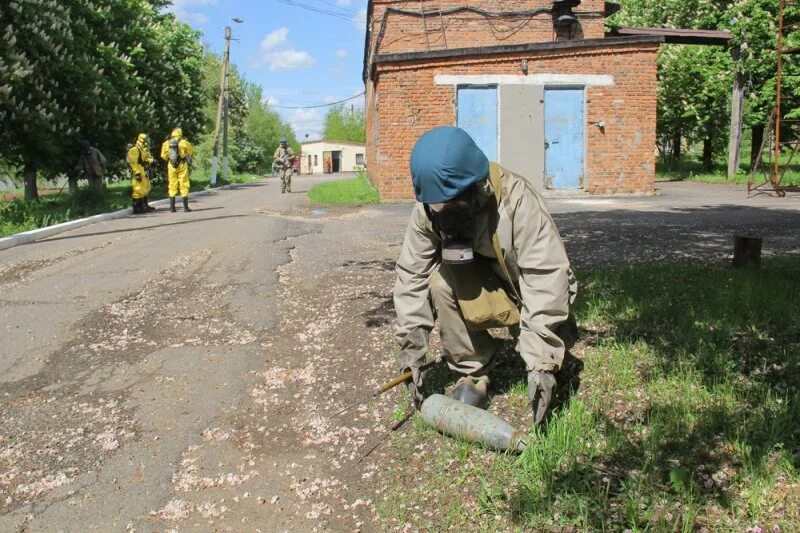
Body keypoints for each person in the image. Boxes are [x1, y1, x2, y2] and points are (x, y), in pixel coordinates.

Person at [393, 126, 577, 425]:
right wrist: (411, 351)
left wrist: (542, 362)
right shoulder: (427, 210)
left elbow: (546, 276)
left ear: (478, 187)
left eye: (454, 203)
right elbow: (411, 277)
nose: (444, 211)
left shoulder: (517, 201)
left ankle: (546, 355)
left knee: (550, 354)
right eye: (438, 205)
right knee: (439, 282)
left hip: (525, 291)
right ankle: (472, 372)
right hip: (484, 286)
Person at [160, 128, 194, 212]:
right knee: (184, 184)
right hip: (182, 165)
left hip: (171, 166)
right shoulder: (184, 142)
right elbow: (190, 152)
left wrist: (171, 158)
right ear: (180, 134)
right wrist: (184, 154)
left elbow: (163, 156)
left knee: (172, 184)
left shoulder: (166, 143)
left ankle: (172, 208)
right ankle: (185, 208)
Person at [127, 133, 156, 214]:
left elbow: (146, 158)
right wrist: (137, 173)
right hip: (138, 170)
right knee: (137, 189)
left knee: (145, 188)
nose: (147, 141)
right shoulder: (135, 149)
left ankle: (144, 205)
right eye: (146, 139)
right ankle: (136, 208)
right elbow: (133, 162)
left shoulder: (143, 149)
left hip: (143, 169)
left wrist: (152, 161)